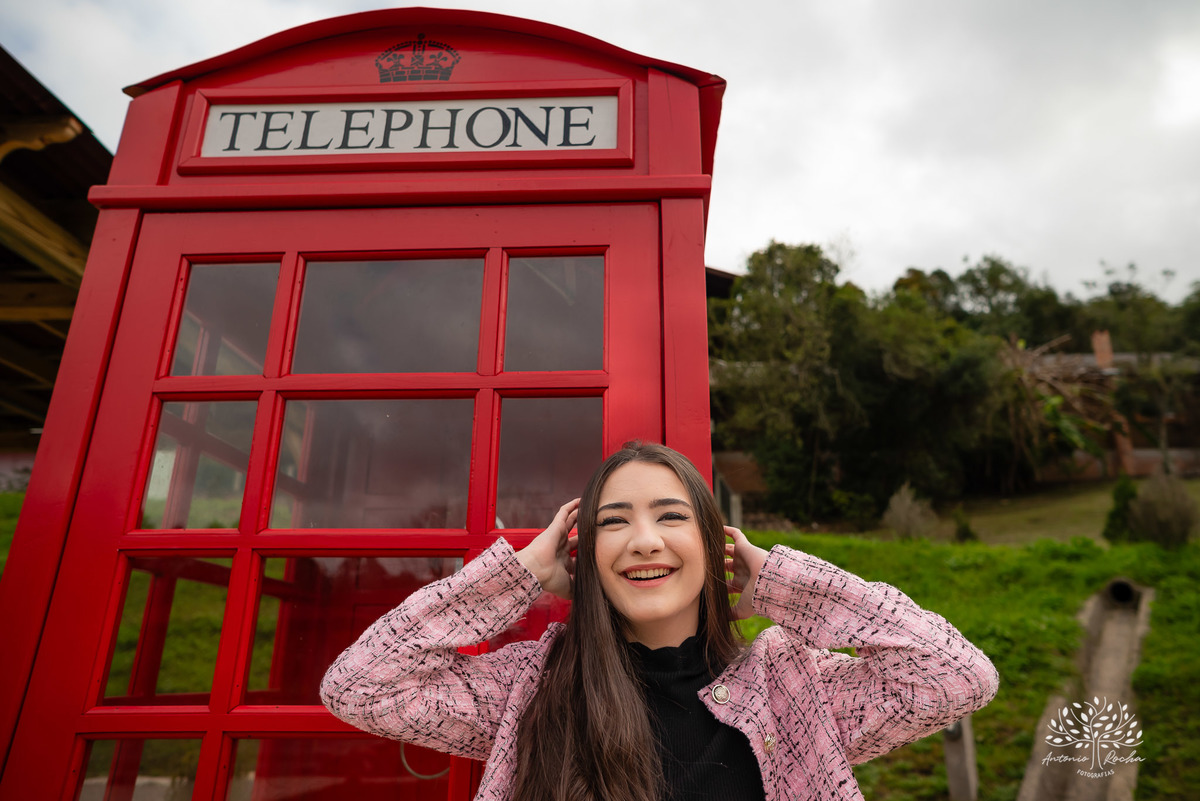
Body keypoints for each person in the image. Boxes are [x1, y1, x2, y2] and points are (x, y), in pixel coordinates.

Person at [321, 441, 999, 801]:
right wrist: (518, 574)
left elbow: (957, 676)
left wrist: (785, 586)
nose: (645, 541)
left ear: (713, 544)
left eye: (671, 517)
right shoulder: (531, 686)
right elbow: (359, 686)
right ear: (586, 556)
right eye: (614, 522)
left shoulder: (794, 687)